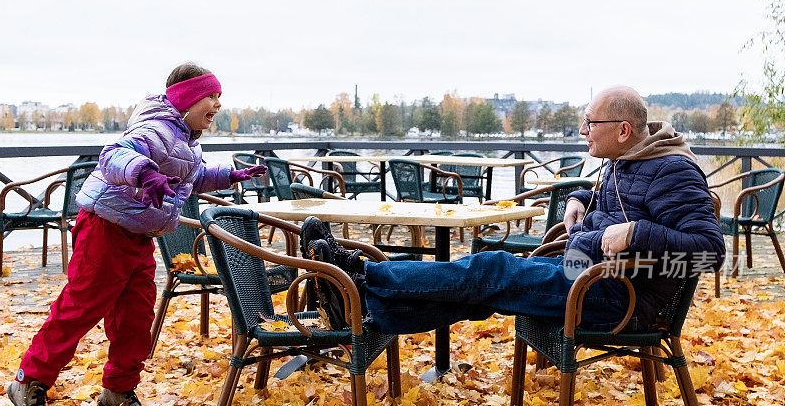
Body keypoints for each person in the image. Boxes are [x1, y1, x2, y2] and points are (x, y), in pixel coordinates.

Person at [301, 86, 725, 336]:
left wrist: (636, 234)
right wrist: (582, 198)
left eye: (589, 124)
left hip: (617, 299)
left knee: (490, 270)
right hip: (586, 273)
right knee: (478, 292)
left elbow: (710, 251)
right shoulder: (629, 160)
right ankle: (363, 310)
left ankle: (357, 275)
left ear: (623, 130)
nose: (581, 132)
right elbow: (620, 205)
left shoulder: (671, 170)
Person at [8, 63, 266, 406]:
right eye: (211, 96)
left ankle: (118, 390)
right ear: (187, 99)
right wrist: (143, 172)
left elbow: (193, 177)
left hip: (139, 237)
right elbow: (114, 155)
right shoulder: (155, 129)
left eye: (219, 98)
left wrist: (229, 174)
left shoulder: (187, 143)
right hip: (105, 228)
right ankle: (28, 381)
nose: (217, 105)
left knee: (136, 318)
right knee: (80, 308)